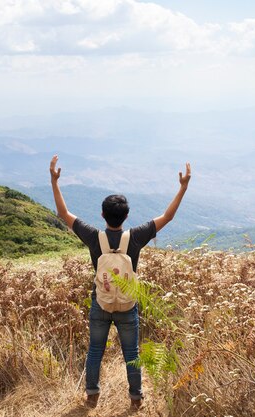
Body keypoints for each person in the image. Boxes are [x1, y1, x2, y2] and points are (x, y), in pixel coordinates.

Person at [49, 155, 191, 410]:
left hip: (101, 304)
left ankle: (91, 396)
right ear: (127, 216)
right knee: (132, 355)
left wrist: (54, 179)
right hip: (127, 306)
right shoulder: (135, 237)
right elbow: (167, 217)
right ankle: (136, 399)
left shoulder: (94, 237)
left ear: (102, 214)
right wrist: (183, 187)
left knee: (95, 351)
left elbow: (62, 213)